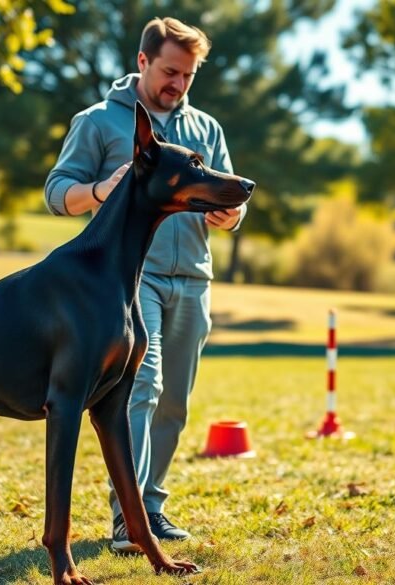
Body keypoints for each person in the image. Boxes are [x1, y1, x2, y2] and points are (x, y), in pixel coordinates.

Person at [44, 16, 245, 553]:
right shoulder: (100, 122)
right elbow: (56, 191)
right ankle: (126, 520)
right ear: (142, 62)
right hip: (132, 280)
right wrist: (98, 189)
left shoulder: (206, 129)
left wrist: (231, 215)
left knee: (175, 400)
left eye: (188, 75)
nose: (178, 84)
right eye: (170, 71)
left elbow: (229, 196)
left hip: (194, 280)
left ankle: (151, 507)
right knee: (143, 386)